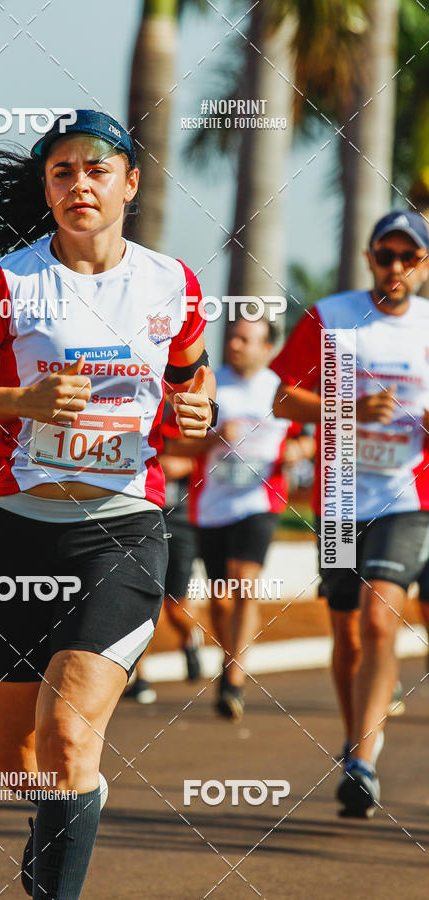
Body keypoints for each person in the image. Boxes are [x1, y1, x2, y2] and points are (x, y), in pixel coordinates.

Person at [0, 109, 216, 898]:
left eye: (97, 169)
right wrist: (19, 399)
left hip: (120, 534)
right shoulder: (11, 284)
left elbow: (195, 378)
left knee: (67, 740)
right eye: (62, 171)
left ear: (130, 182)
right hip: (17, 537)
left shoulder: (172, 282)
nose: (79, 183)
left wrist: (199, 408)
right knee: (20, 765)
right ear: (47, 189)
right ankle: (74, 807)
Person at [270, 210, 429, 817]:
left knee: (380, 615)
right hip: (339, 499)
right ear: (368, 258)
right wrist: (351, 407)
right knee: (346, 632)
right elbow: (282, 398)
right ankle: (356, 737)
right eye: (384, 255)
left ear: (422, 266)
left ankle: (362, 762)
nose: (395, 267)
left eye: (407, 257)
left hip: (409, 495)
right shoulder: (332, 316)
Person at [167, 315, 307, 721]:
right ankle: (229, 661)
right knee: (222, 596)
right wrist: (213, 436)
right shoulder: (210, 385)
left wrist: (299, 450)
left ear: (268, 348)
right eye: (233, 338)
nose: (236, 345)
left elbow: (306, 434)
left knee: (243, 582)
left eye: (247, 339)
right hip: (211, 505)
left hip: (260, 502)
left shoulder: (279, 391)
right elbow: (179, 448)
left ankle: (233, 677)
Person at [125, 405, 203, 704]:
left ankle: (189, 637)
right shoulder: (130, 404)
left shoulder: (184, 412)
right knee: (136, 601)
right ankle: (140, 677)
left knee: (174, 604)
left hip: (180, 519)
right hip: (139, 514)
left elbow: (207, 455)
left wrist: (180, 464)